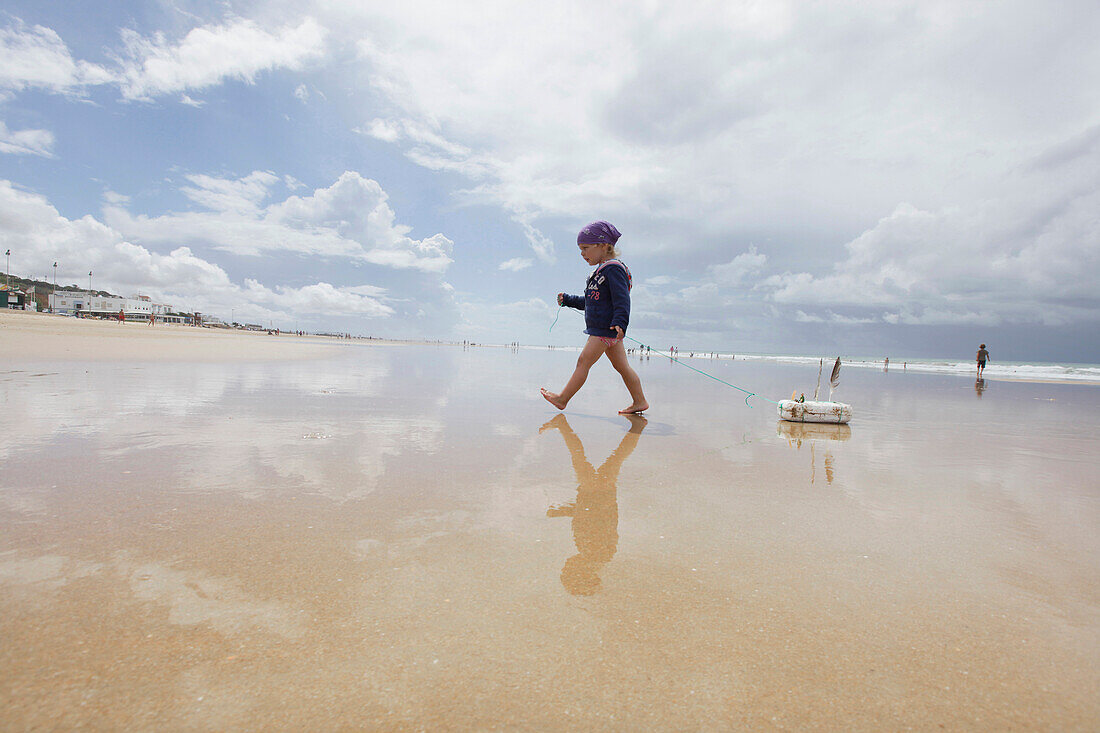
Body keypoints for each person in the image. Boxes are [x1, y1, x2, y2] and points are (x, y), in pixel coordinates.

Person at [540, 221, 648, 414]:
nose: (582, 253)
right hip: (609, 331)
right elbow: (590, 302)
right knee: (622, 367)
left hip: (605, 329)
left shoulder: (613, 269)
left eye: (585, 248)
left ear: (604, 246)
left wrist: (620, 322)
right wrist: (568, 300)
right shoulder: (599, 273)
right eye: (580, 249)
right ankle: (639, 401)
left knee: (583, 362)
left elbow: (622, 298)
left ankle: (563, 399)